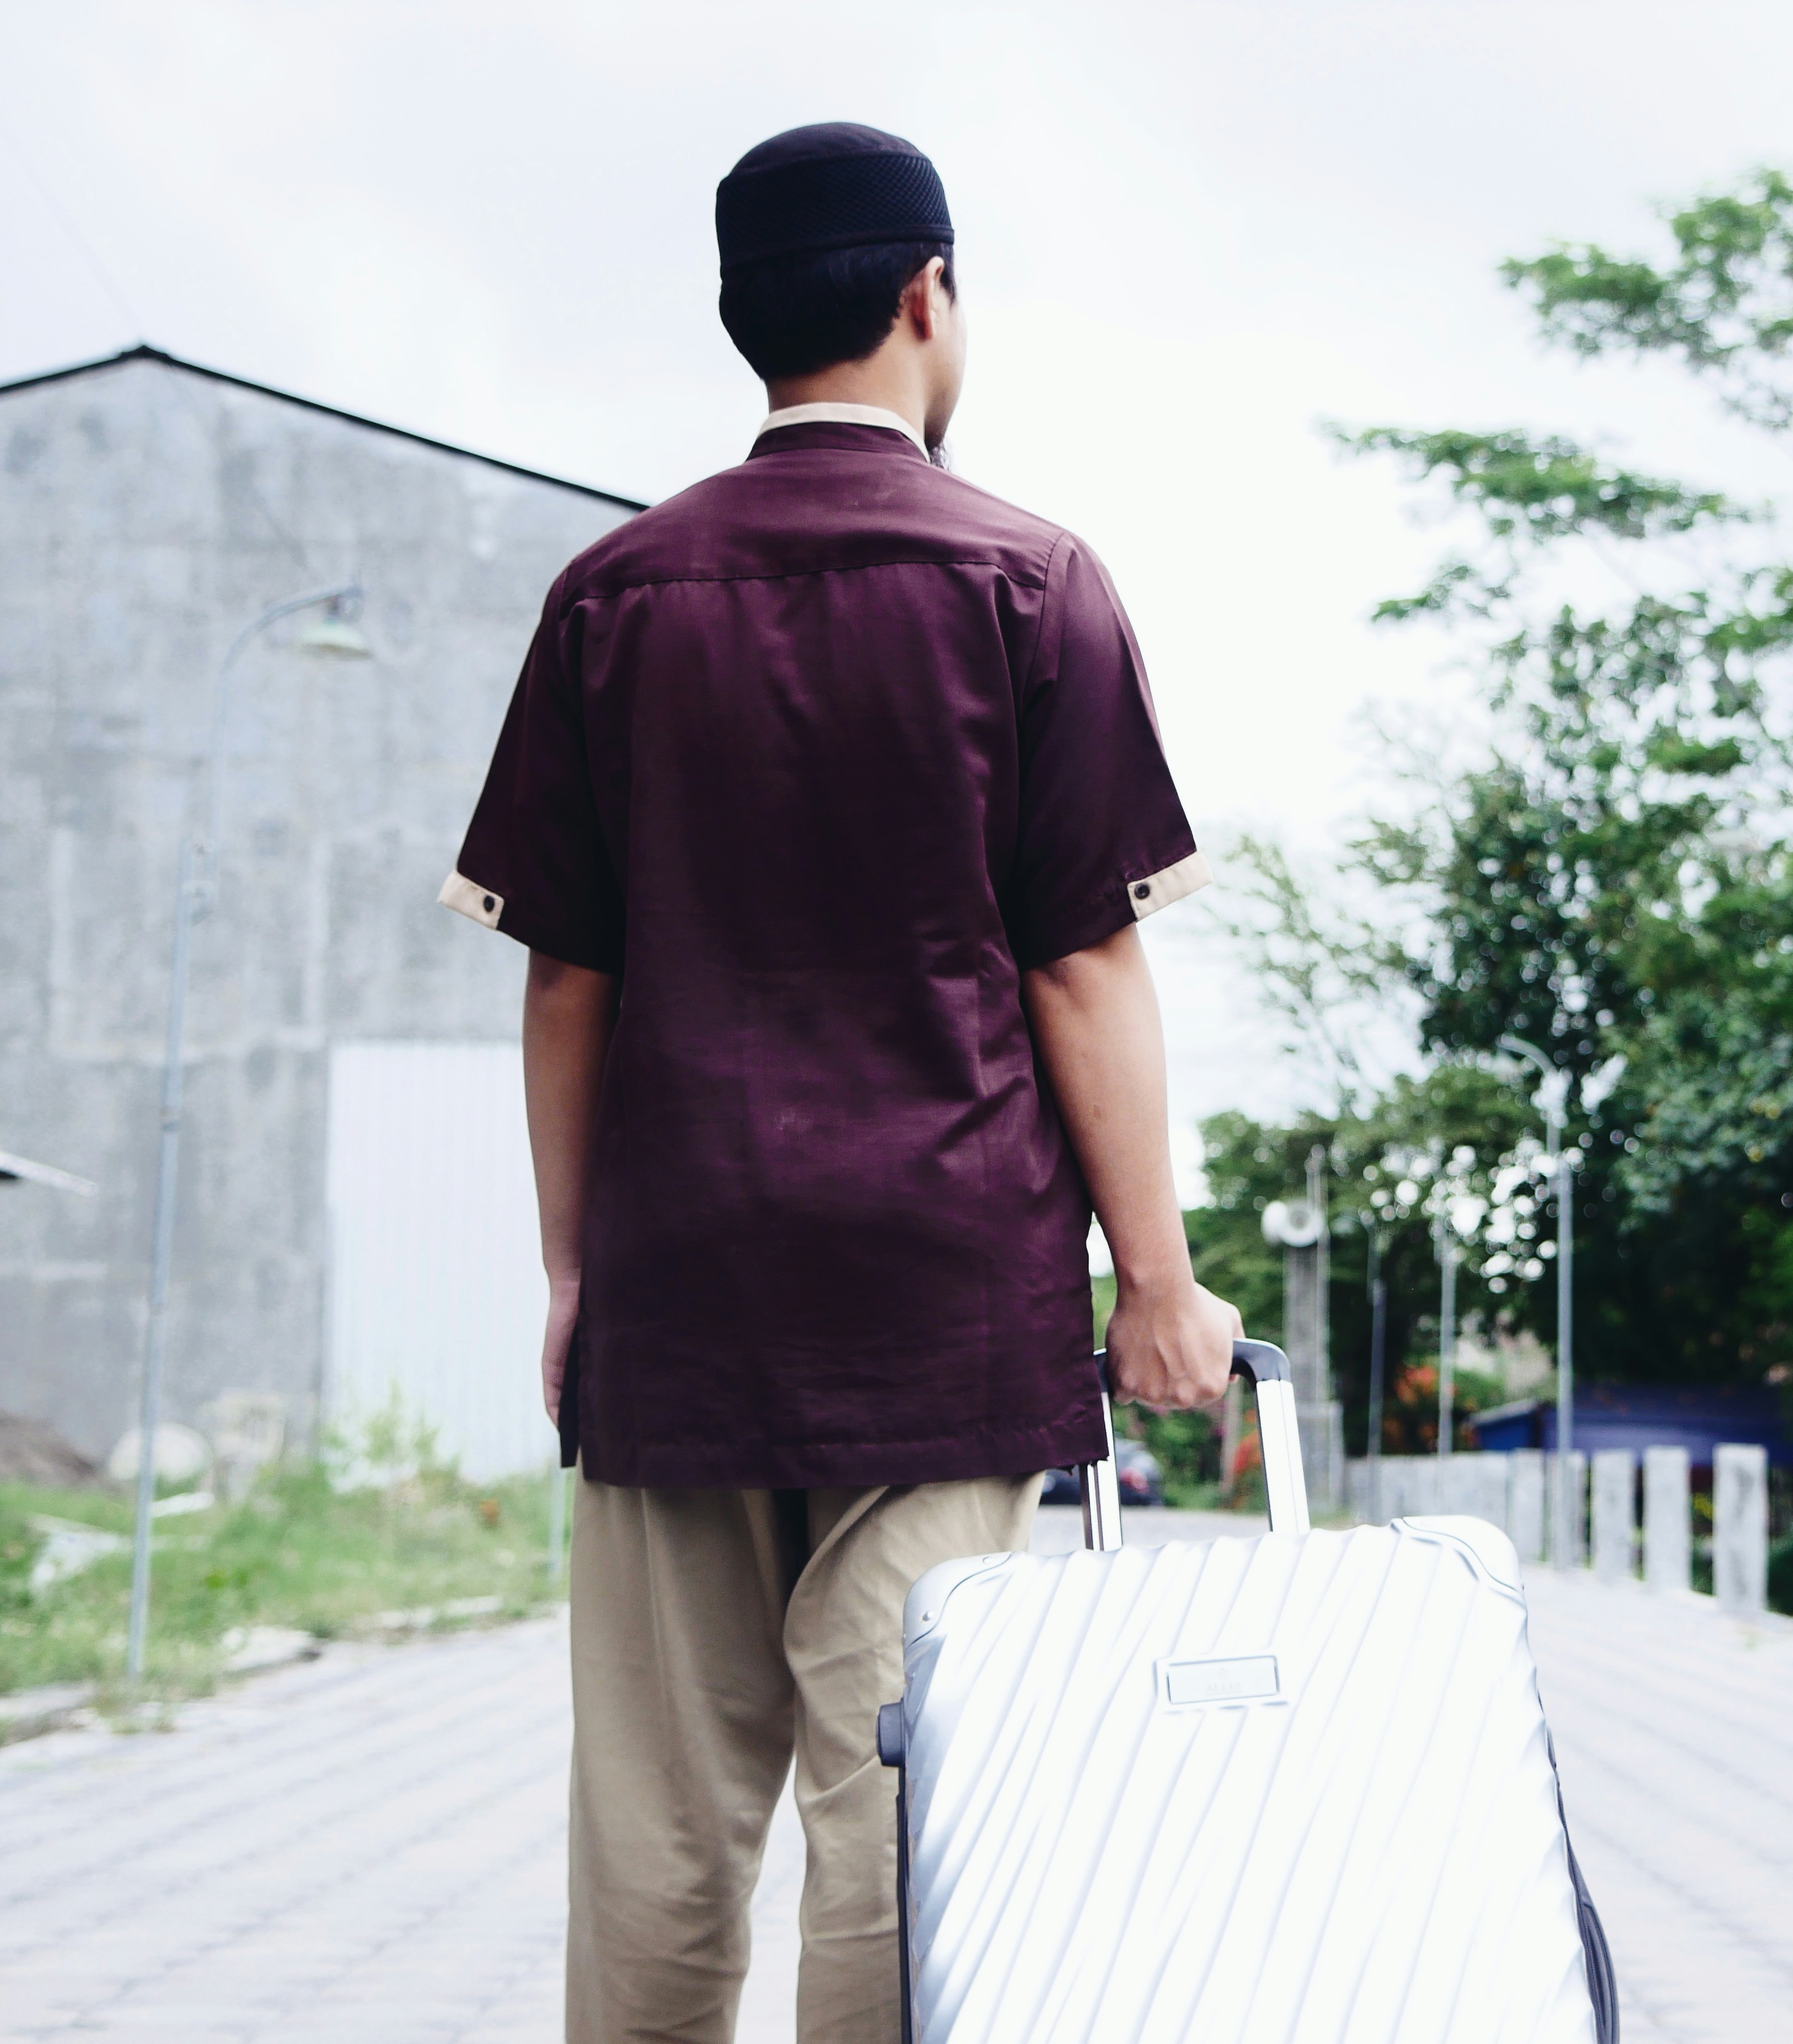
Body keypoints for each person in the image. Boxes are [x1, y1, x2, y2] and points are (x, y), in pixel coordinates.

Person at [438, 120, 1242, 2044]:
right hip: (938, 1306)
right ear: (923, 296)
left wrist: (576, 1275)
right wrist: (1155, 1279)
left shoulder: (610, 597)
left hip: (680, 1298)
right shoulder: (1032, 584)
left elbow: (569, 979)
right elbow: (1077, 958)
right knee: (902, 1820)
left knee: (653, 1833)